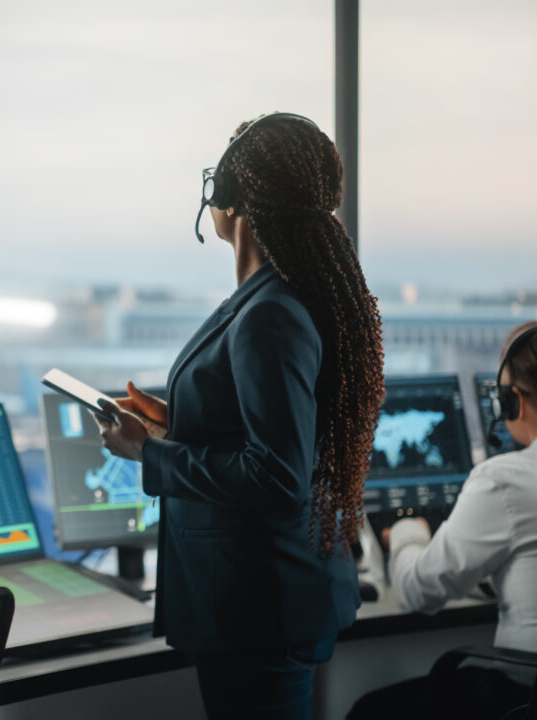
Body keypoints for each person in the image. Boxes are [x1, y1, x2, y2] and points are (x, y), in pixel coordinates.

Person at [99, 112, 384, 719]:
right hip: (262, 598)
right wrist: (174, 421)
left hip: (256, 605)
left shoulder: (270, 314)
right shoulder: (276, 298)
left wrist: (146, 452)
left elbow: (277, 474)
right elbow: (267, 427)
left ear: (231, 198)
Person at [348, 322, 537, 719]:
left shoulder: (505, 480)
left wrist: (408, 532)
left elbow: (418, 593)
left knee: (369, 711)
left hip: (526, 694)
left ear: (511, 402)